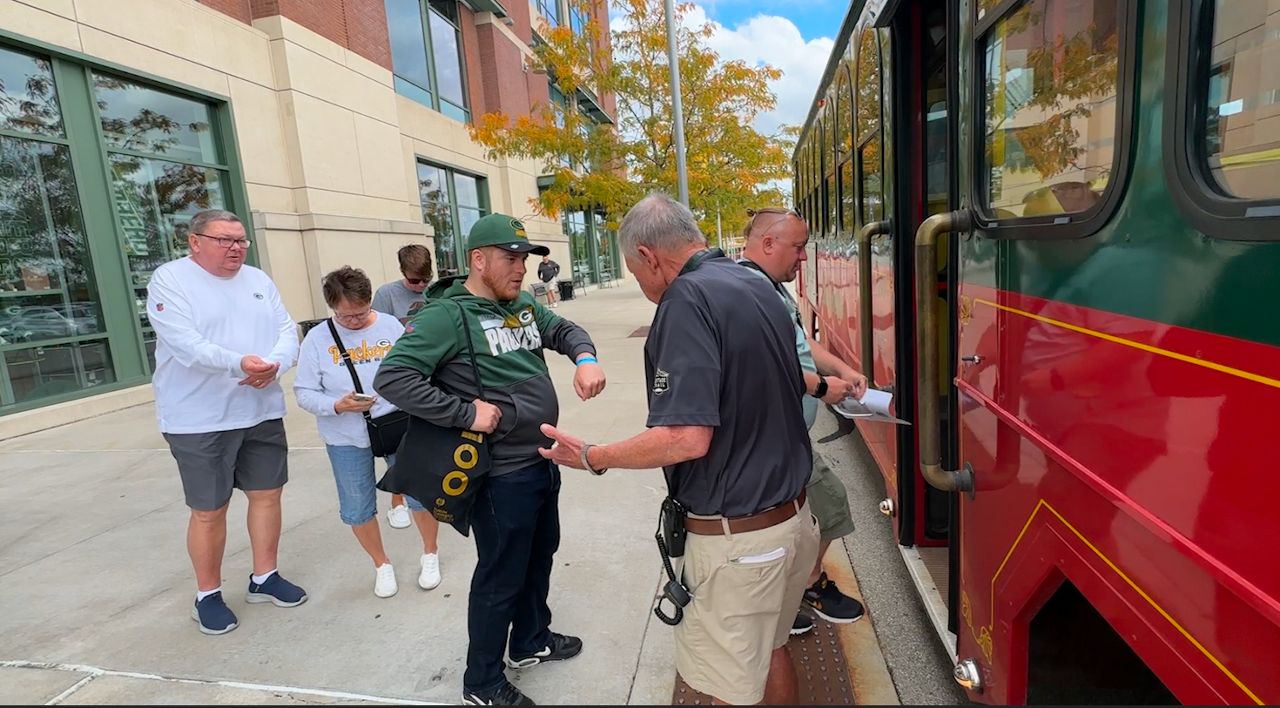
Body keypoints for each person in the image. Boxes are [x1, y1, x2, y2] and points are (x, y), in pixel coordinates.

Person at [539, 193, 821, 705]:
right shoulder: (755, 283)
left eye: (634, 270)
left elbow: (686, 437)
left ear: (649, 256)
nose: (642, 285)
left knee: (725, 686)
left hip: (740, 541)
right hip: (794, 520)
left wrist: (592, 456)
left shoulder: (686, 301)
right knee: (773, 651)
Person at [373, 213, 607, 707]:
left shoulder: (521, 305)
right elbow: (392, 379)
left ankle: (530, 641)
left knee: (539, 555)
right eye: (510, 258)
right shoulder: (447, 315)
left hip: (541, 458)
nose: (520, 268)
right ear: (478, 260)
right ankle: (480, 683)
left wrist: (584, 358)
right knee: (500, 575)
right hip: (500, 473)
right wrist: (464, 412)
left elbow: (564, 329)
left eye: (524, 258)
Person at [146, 209, 306, 636]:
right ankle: (207, 595)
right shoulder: (171, 280)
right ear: (195, 241)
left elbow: (287, 331)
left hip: (260, 408)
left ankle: (264, 577)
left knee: (267, 494)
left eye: (241, 240)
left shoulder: (258, 280)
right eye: (224, 240)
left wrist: (276, 364)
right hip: (199, 417)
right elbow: (185, 344)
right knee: (209, 510)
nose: (235, 248)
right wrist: (240, 362)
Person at [737, 207, 869, 634]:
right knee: (828, 505)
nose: (804, 258)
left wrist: (842, 370)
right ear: (768, 244)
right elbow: (762, 366)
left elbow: (802, 342)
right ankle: (797, 592)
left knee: (811, 517)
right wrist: (819, 388)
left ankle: (796, 590)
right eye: (798, 247)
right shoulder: (749, 294)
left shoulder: (770, 288)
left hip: (788, 436)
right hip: (774, 439)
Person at [293, 266, 442, 598]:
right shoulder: (318, 339)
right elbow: (303, 392)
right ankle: (381, 564)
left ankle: (430, 553)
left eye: (362, 313)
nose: (356, 322)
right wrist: (337, 405)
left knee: (420, 496)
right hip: (345, 434)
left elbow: (417, 369)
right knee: (357, 506)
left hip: (397, 422)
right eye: (347, 317)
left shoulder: (390, 326)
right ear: (332, 308)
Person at [371, 244, 433, 529]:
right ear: (402, 272)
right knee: (399, 441)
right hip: (402, 374)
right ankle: (398, 498)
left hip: (433, 372)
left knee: (425, 441)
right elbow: (375, 335)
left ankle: (421, 494)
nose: (420, 286)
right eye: (413, 281)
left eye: (424, 280)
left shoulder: (435, 292)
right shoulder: (386, 295)